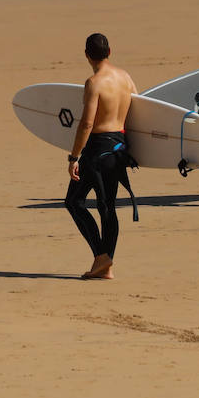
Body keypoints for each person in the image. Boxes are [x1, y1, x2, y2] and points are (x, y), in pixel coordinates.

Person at [64, 32, 137, 280]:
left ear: (87, 55)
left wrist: (74, 157)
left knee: (73, 202)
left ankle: (101, 257)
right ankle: (106, 265)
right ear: (110, 51)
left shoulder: (94, 82)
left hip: (97, 149)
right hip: (119, 148)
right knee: (108, 207)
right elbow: (140, 110)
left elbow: (86, 123)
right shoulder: (125, 78)